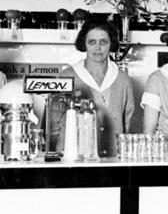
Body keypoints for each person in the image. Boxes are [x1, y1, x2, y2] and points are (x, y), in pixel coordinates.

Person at [43, 18, 138, 156]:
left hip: (113, 159)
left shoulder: (123, 80)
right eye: (92, 42)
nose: (98, 48)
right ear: (84, 43)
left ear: (112, 44)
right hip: (73, 159)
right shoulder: (67, 76)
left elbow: (128, 122)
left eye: (103, 42)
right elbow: (53, 125)